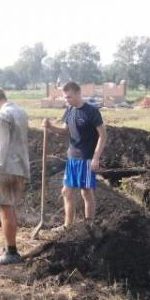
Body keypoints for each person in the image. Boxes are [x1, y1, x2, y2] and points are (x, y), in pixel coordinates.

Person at [43, 81, 107, 230]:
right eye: (65, 97)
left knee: (86, 192)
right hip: (72, 157)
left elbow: (103, 135)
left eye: (69, 97)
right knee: (66, 191)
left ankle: (89, 225)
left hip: (86, 158)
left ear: (78, 93)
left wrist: (96, 157)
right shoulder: (69, 109)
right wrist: (50, 126)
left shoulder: (92, 111)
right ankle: (67, 226)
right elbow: (65, 131)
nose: (67, 100)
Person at [0, 87, 30, 265]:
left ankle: (11, 252)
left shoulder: (1, 116)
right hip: (20, 167)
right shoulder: (21, 112)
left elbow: (1, 147)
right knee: (9, 207)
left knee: (5, 208)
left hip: (6, 168)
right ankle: (7, 247)